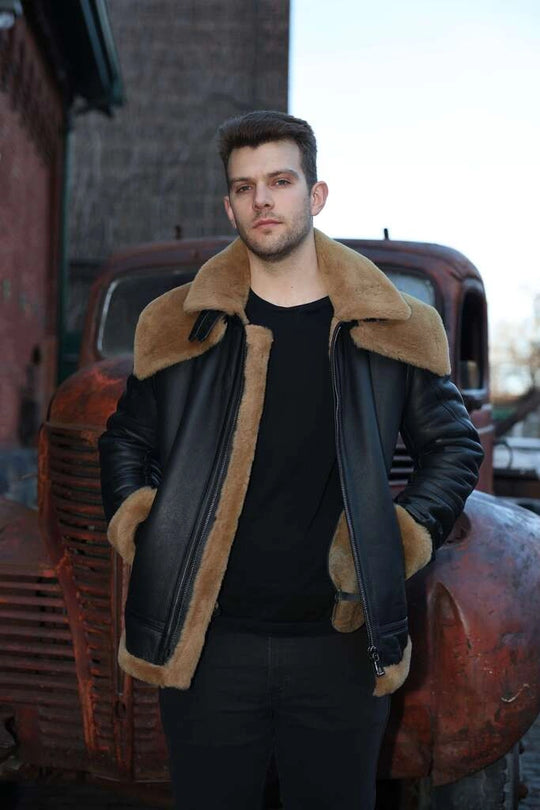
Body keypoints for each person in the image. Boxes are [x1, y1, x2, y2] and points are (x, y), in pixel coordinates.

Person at [98, 110, 484, 809]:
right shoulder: (180, 323)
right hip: (207, 643)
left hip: (340, 643)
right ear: (228, 204)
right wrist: (140, 522)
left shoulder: (392, 325)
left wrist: (403, 534)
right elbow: (124, 440)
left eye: (280, 180)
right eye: (244, 187)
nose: (262, 200)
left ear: (317, 193)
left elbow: (453, 445)